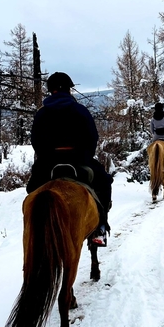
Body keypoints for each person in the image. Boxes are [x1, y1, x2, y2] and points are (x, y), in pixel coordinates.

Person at [27, 71, 112, 246]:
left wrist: (44, 157)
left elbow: (35, 140)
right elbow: (92, 137)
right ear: (69, 89)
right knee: (104, 182)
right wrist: (87, 155)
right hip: (79, 159)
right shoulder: (80, 110)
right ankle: (99, 230)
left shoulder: (41, 113)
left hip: (48, 161)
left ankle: (32, 230)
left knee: (31, 190)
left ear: (50, 90)